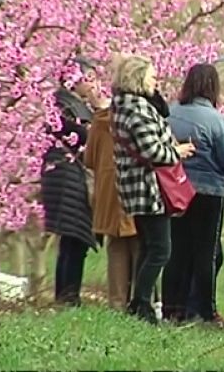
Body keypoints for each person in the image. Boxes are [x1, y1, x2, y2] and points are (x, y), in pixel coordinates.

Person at [111, 54, 195, 324]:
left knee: (148, 248)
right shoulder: (137, 108)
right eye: (151, 75)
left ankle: (140, 302)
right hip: (149, 188)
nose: (156, 80)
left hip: (135, 187)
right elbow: (152, 150)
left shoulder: (121, 107)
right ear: (137, 78)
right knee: (161, 249)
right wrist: (177, 151)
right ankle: (141, 303)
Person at [163, 63, 224, 328]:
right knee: (207, 252)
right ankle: (204, 309)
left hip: (176, 188)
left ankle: (172, 307)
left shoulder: (170, 112)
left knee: (177, 250)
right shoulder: (216, 120)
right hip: (209, 192)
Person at [41, 83, 99, 306]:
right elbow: (83, 136)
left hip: (66, 174)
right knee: (75, 239)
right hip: (68, 176)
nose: (93, 82)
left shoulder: (68, 103)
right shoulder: (64, 105)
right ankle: (68, 296)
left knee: (71, 240)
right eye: (89, 76)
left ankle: (65, 295)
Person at [85, 101, 139, 311]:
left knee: (116, 246)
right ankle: (139, 303)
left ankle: (117, 303)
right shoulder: (140, 115)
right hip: (136, 188)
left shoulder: (100, 120)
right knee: (141, 245)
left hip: (109, 190)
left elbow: (89, 159)